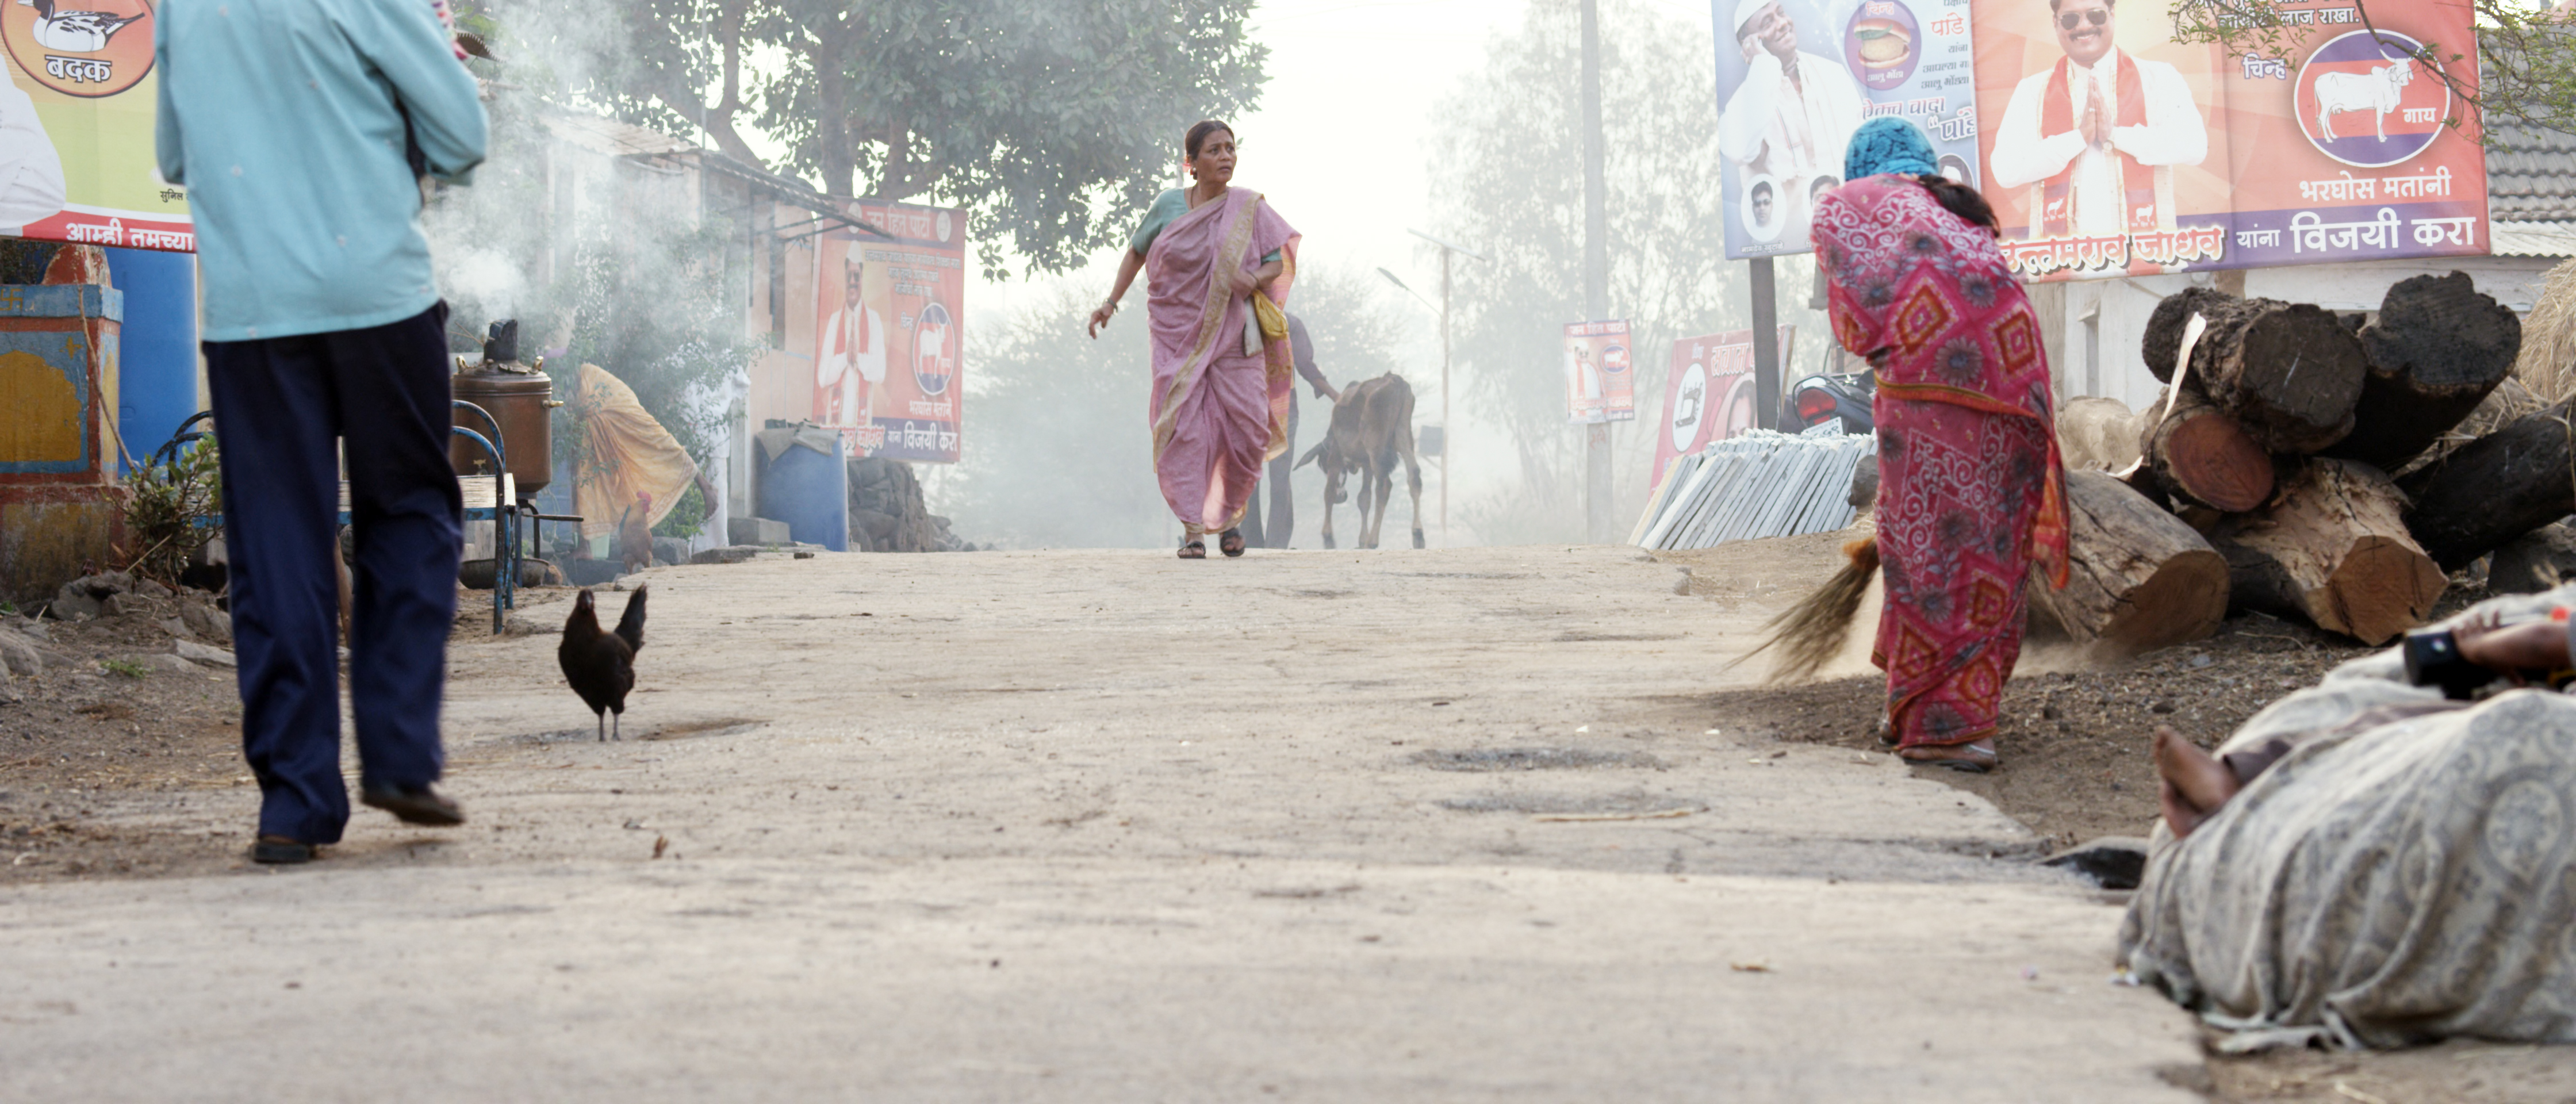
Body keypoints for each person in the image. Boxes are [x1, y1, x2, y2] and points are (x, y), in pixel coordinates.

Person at [155, 0, 488, 862]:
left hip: (251, 314)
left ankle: (294, 806)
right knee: (409, 512)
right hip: (377, 294)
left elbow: (173, 156)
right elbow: (462, 135)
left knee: (275, 545)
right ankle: (402, 758)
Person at [1812, 117, 2068, 772]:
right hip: (2019, 392)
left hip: (1935, 392)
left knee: (1925, 552)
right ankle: (1922, 707)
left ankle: (1947, 728)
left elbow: (1855, 325)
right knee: (1989, 554)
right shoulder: (1958, 212)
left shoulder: (1852, 199)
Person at [1087, 120, 1300, 559]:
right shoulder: (1168, 206)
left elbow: (1275, 262)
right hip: (1175, 334)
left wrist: (1251, 278)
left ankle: (1230, 521)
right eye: (1214, 150)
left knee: (1246, 431)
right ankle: (1194, 532)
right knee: (1185, 429)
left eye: (1230, 148)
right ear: (1192, 163)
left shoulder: (1248, 209)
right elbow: (1137, 251)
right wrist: (1110, 303)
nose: (1225, 157)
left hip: (1237, 335)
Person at [1987, 0, 2207, 239]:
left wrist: (2115, 135)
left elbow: (2194, 146)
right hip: (2063, 261)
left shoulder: (2158, 78)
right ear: (2055, 23)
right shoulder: (2032, 90)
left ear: (2112, 13)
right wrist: (2077, 139)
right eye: (2071, 19)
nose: (2084, 26)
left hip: (2147, 256)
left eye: (2095, 16)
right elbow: (2005, 170)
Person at [1716, 0, 1865, 228]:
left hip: (1850, 224)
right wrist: (1764, 65)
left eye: (1781, 13)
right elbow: (1738, 150)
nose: (1783, 24)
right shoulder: (1745, 102)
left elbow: (1863, 147)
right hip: (1790, 235)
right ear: (1749, 44)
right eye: (1768, 22)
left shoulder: (1833, 74)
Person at [1239, 314, 1340, 550]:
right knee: (1280, 479)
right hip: (1282, 411)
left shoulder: (1239, 319)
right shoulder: (1288, 322)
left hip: (1246, 411)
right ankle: (1276, 545)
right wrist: (1335, 395)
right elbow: (1305, 364)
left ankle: (1252, 541)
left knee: (1248, 477)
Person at [817, 260, 885, 428]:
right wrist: (844, 359)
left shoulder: (874, 320)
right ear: (844, 279)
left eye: (857, 275)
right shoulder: (835, 321)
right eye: (849, 276)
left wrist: (858, 359)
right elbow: (822, 378)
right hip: (835, 430)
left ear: (862, 278)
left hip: (863, 433)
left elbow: (880, 372)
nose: (853, 281)